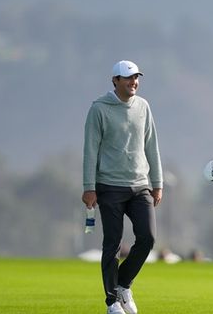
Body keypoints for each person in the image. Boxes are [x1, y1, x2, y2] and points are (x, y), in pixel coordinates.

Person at [83, 60, 164, 314]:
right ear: (115, 81)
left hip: (140, 185)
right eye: (128, 78)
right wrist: (89, 186)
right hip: (109, 185)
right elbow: (90, 150)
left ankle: (123, 285)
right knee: (113, 244)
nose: (134, 82)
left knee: (148, 238)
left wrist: (158, 183)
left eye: (136, 78)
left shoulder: (143, 106)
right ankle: (111, 302)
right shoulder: (99, 109)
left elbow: (151, 145)